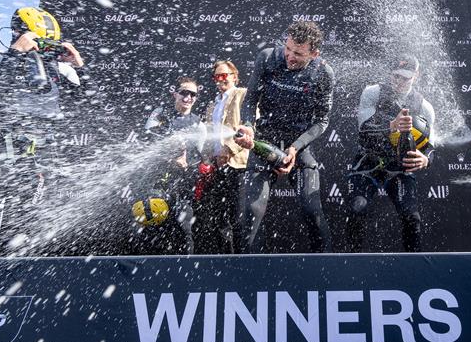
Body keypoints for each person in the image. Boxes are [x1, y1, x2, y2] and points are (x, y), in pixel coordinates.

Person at [0, 7, 88, 257]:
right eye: (39, 41)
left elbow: (90, 103)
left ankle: (13, 283)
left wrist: (78, 65)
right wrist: (17, 52)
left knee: (21, 229)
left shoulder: (61, 71)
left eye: (49, 43)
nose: (43, 48)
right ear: (18, 34)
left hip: (34, 163)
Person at [234, 21, 334, 254]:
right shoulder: (268, 58)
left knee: (312, 210)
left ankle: (327, 268)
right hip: (265, 141)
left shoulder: (323, 73)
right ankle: (249, 271)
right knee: (252, 210)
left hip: (298, 145)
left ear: (314, 53)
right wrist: (248, 127)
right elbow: (250, 101)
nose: (290, 56)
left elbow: (322, 121)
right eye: (287, 48)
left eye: (298, 53)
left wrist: (295, 148)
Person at [346, 54, 434, 253]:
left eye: (406, 77)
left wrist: (426, 159)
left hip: (399, 169)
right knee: (357, 209)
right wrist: (391, 126)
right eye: (396, 76)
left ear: (416, 76)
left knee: (412, 217)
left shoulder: (424, 106)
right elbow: (363, 129)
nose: (400, 82)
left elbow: (432, 146)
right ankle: (350, 261)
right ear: (389, 73)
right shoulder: (373, 93)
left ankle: (415, 269)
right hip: (367, 162)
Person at [127, 76, 204, 255]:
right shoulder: (160, 113)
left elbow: (199, 157)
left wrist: (187, 164)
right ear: (175, 94)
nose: (188, 98)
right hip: (154, 185)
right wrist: (169, 159)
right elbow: (147, 146)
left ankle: (186, 273)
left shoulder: (198, 124)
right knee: (147, 231)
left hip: (181, 188)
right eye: (184, 93)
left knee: (185, 231)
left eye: (193, 94)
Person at [193, 60, 249, 254]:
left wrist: (228, 150)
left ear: (234, 76)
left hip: (238, 166)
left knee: (239, 219)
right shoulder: (212, 104)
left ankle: (244, 262)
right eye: (216, 76)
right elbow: (208, 136)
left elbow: (251, 128)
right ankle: (224, 261)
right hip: (218, 169)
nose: (219, 80)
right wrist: (207, 160)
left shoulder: (243, 95)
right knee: (218, 219)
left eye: (223, 75)